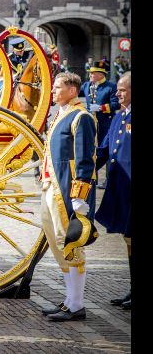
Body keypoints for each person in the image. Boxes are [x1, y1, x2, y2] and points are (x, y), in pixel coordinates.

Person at [39, 72, 97, 322]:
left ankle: (76, 304)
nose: (53, 92)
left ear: (72, 90)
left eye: (58, 87)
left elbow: (85, 157)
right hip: (51, 184)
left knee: (71, 243)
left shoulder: (81, 116)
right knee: (56, 241)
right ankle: (69, 299)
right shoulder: (61, 114)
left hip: (66, 188)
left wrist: (79, 195)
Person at [95, 72, 131, 310]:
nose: (117, 94)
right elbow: (104, 150)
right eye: (117, 89)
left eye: (123, 90)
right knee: (128, 240)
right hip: (120, 189)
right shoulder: (119, 117)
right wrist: (83, 168)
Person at [79, 62, 119, 157]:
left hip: (105, 124)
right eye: (90, 73)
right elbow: (75, 93)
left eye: (92, 73)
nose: (90, 75)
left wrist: (101, 107)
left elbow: (116, 104)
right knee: (90, 150)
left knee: (106, 150)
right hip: (90, 123)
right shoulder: (86, 85)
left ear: (100, 74)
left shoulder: (111, 87)